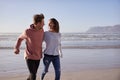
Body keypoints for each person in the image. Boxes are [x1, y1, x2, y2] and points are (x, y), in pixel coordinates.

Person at [14, 14, 45, 80]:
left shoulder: (42, 31)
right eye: (43, 23)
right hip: (29, 56)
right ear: (38, 23)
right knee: (33, 74)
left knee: (32, 74)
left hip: (38, 56)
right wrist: (16, 48)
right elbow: (20, 39)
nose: (44, 24)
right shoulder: (27, 31)